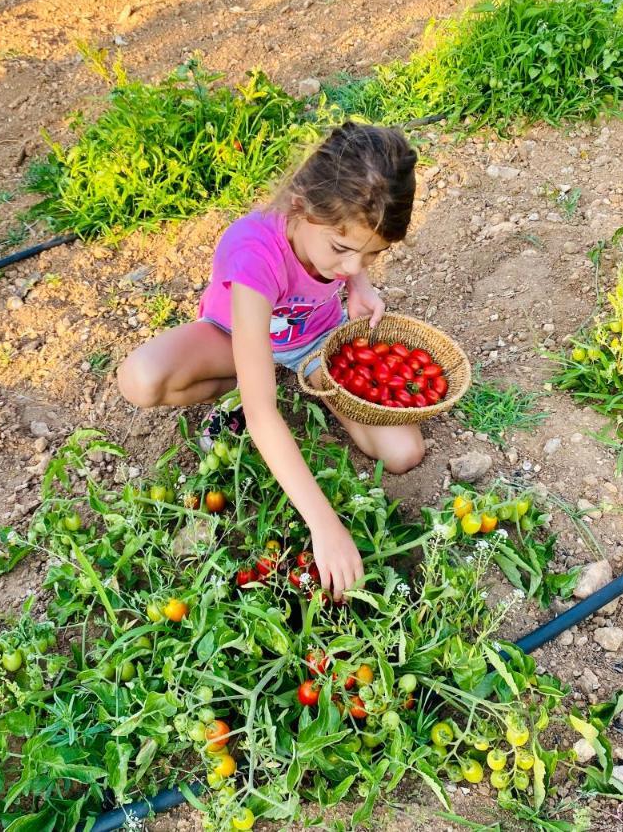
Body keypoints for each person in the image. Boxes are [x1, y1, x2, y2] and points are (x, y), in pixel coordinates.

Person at [117, 121, 426, 598]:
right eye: (342, 251)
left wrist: (359, 284)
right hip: (234, 336)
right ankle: (239, 383)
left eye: (369, 256)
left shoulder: (344, 241)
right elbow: (264, 412)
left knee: (403, 454)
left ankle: (294, 378)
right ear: (302, 205)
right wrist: (324, 525)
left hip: (311, 344)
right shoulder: (254, 251)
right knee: (142, 378)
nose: (350, 265)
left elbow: (354, 256)